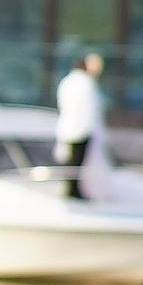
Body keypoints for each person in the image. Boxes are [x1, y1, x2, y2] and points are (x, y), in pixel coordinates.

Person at [54, 52, 109, 203]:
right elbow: (89, 109)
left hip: (72, 128)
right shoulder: (84, 83)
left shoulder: (70, 81)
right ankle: (73, 190)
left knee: (74, 161)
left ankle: (73, 189)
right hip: (81, 129)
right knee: (76, 162)